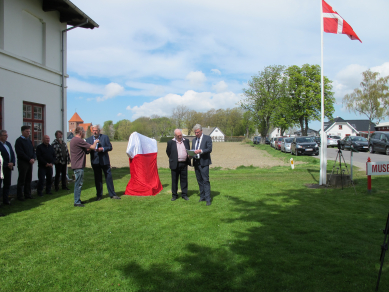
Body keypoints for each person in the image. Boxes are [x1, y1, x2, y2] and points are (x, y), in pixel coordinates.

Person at [86, 125, 120, 200]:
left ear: (99, 131)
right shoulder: (88, 140)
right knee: (98, 179)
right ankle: (99, 195)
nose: (95, 132)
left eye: (96, 130)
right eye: (93, 130)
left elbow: (110, 147)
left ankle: (112, 194)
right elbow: (86, 152)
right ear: (92, 131)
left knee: (109, 177)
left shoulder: (105, 137)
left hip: (105, 161)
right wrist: (89, 149)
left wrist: (103, 149)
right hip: (95, 162)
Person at [70, 126, 99, 207]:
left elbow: (84, 150)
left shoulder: (73, 140)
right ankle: (77, 202)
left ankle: (78, 200)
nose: (84, 134)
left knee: (78, 183)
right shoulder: (78, 140)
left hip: (76, 165)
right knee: (78, 184)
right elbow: (92, 147)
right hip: (78, 165)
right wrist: (96, 141)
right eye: (84, 132)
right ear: (80, 132)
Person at [166, 129, 191, 201]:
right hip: (175, 164)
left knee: (184, 180)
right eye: (178, 135)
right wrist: (173, 159)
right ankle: (174, 195)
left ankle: (184, 194)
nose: (180, 136)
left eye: (181, 135)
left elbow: (188, 150)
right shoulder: (170, 142)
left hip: (184, 164)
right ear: (175, 135)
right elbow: (168, 152)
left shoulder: (186, 141)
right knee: (174, 180)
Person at [191, 124, 212, 206]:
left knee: (205, 181)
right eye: (195, 132)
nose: (196, 134)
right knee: (199, 181)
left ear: (201, 131)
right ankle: (202, 196)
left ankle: (208, 199)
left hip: (204, 162)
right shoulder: (193, 140)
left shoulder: (207, 138)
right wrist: (190, 154)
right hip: (196, 162)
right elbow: (193, 150)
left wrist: (200, 151)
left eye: (197, 132)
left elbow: (209, 149)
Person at [15, 125, 36, 201]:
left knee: (28, 179)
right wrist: (29, 159)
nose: (28, 133)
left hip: (30, 162)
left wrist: (33, 158)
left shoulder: (29, 141)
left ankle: (28, 194)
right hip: (23, 163)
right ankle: (20, 196)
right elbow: (20, 153)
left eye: (29, 131)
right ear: (22, 132)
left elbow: (33, 151)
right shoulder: (19, 141)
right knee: (22, 180)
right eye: (27, 131)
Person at [0, 130, 15, 205]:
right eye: (5, 135)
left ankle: (6, 200)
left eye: (7, 135)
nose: (7, 137)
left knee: (7, 184)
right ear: (0, 136)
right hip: (2, 168)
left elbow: (12, 154)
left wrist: (12, 163)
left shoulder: (8, 144)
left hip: (9, 168)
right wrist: (7, 164)